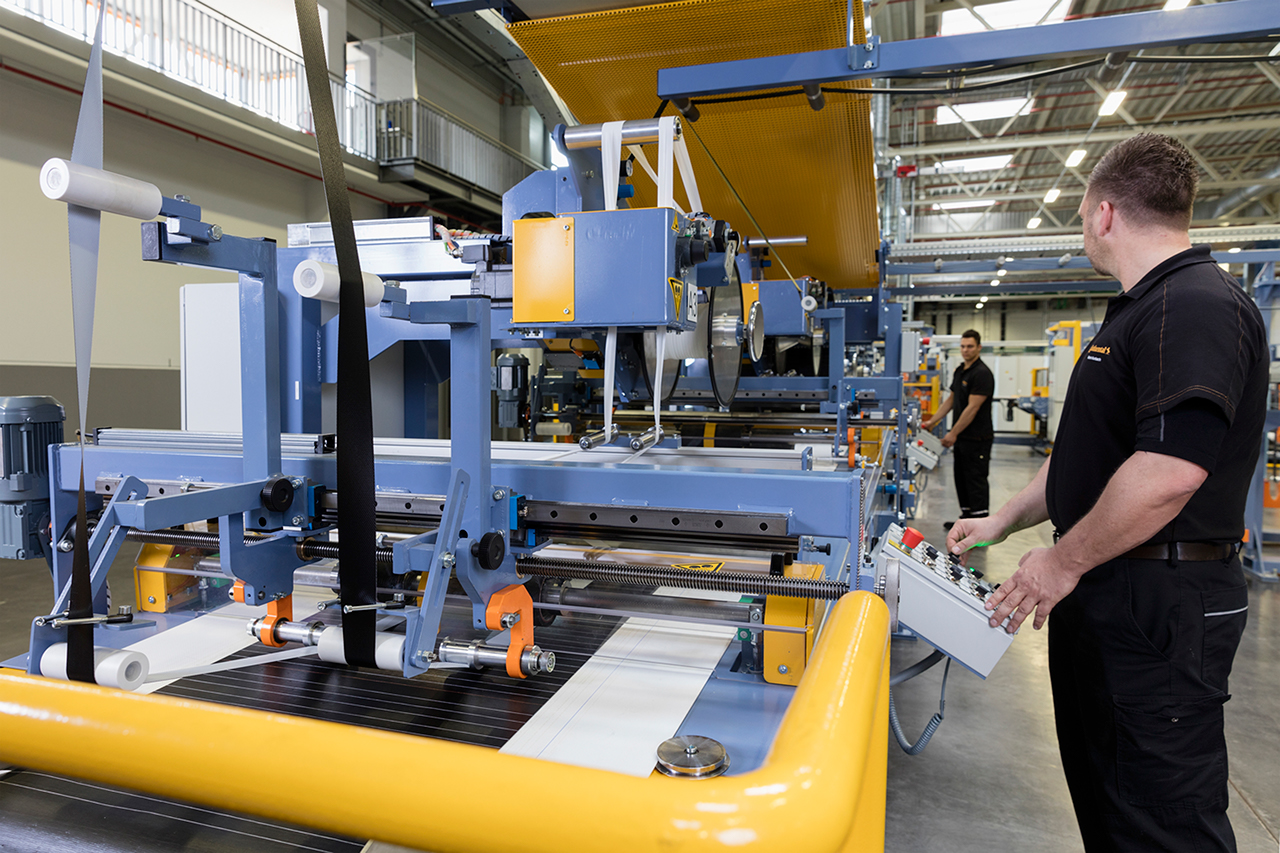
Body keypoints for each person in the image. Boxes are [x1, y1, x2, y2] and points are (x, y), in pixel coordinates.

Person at [947, 133, 1266, 853]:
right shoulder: (1139, 310)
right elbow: (1085, 461)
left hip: (1158, 606)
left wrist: (1060, 563)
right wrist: (1003, 519)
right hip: (1117, 593)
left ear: (1104, 212)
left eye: (1082, 215)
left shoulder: (1193, 305)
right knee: (1113, 807)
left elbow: (1170, 471)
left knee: (1160, 822)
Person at [921, 330, 994, 525]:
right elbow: (951, 400)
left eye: (970, 346)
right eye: (962, 346)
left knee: (975, 481)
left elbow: (973, 408)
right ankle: (966, 521)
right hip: (963, 438)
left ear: (979, 347)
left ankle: (979, 525)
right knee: (961, 479)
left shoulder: (982, 373)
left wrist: (952, 433)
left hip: (977, 439)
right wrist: (931, 422)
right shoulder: (960, 371)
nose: (965, 350)